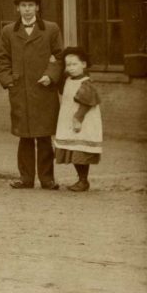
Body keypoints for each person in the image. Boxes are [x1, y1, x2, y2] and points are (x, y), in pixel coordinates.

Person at [0, 0, 65, 190]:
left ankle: (47, 179)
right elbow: (2, 58)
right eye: (23, 6)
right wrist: (8, 80)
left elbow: (59, 56)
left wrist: (50, 76)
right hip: (20, 90)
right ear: (17, 8)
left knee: (44, 136)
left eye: (31, 5)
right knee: (24, 136)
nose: (27, 10)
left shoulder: (51, 29)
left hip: (43, 90)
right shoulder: (8, 31)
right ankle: (25, 178)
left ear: (37, 7)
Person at [53, 46, 103, 192]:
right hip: (69, 118)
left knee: (81, 151)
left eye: (75, 64)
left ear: (84, 64)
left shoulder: (86, 82)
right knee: (73, 150)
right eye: (68, 65)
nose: (71, 68)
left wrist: (78, 119)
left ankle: (83, 180)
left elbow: (86, 102)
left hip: (83, 120)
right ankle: (80, 179)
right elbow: (62, 88)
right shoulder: (68, 79)